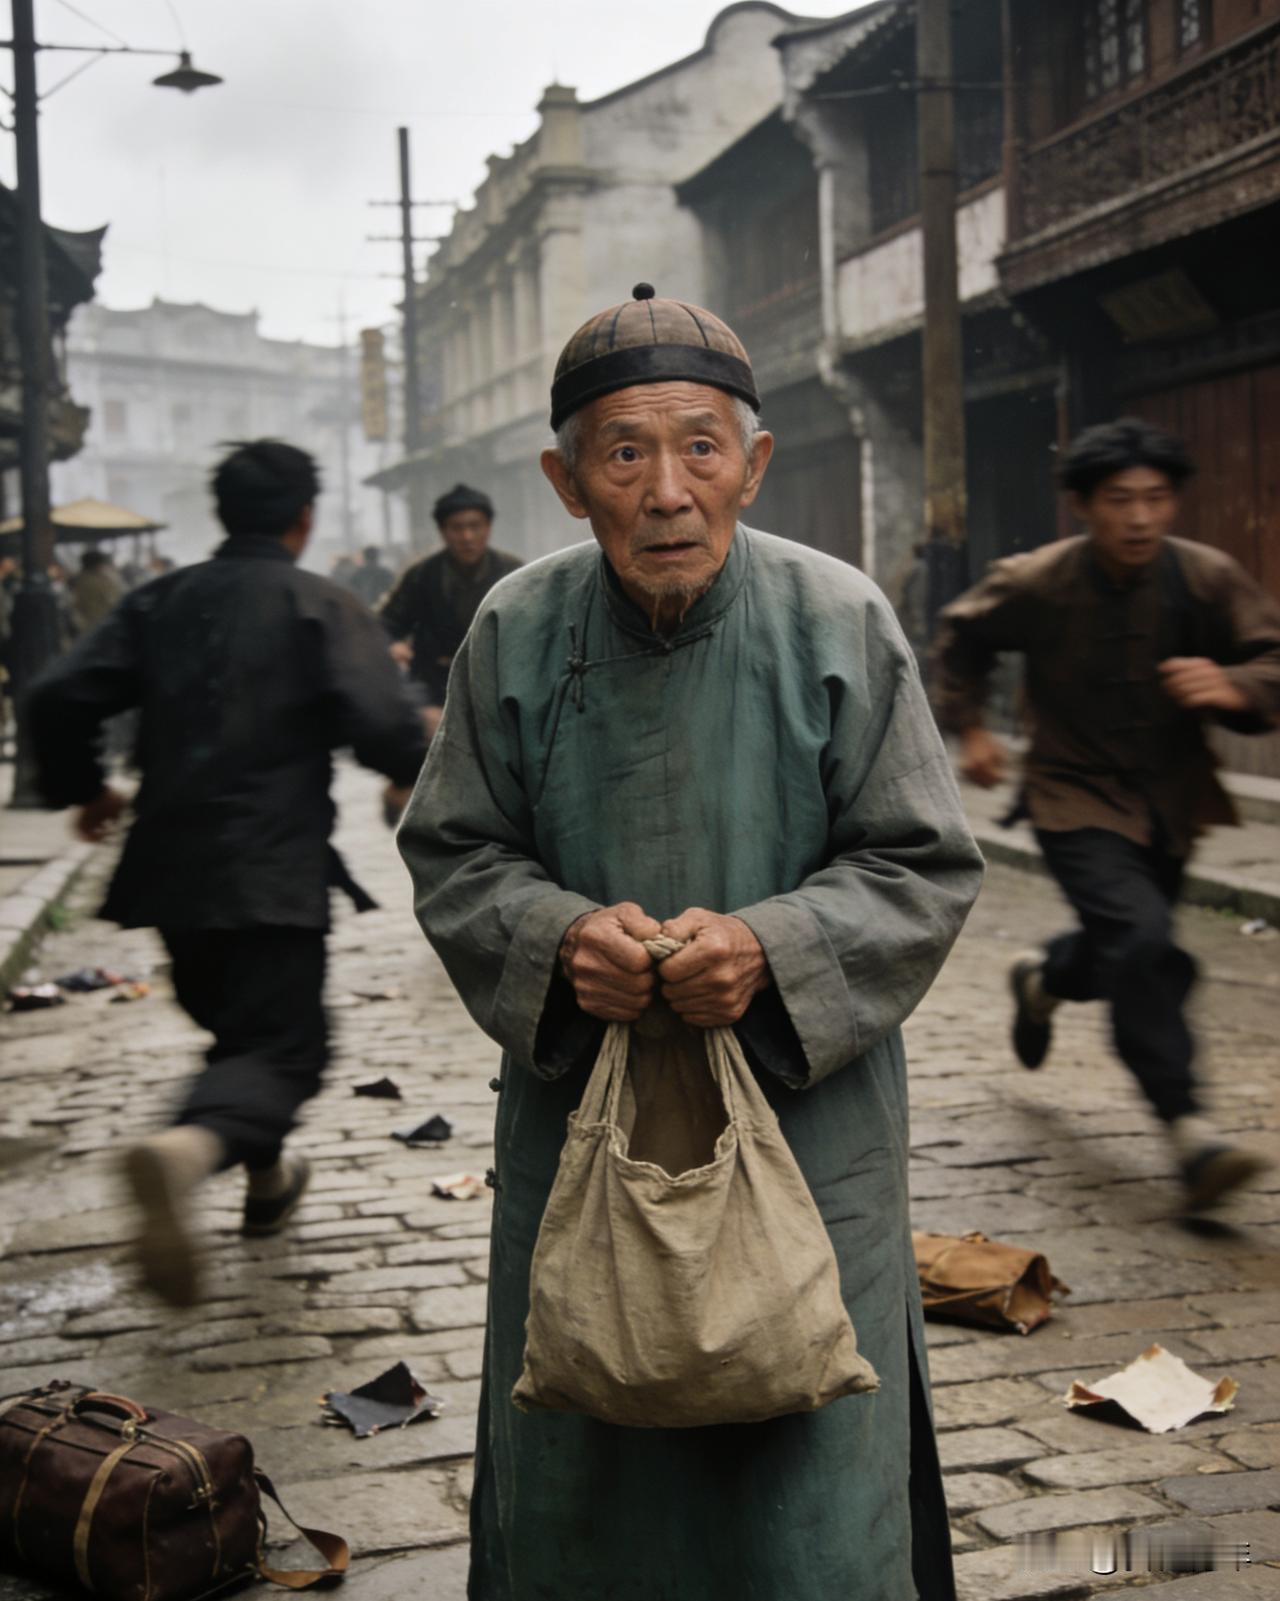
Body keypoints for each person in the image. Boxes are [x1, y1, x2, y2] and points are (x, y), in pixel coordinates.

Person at [397, 283, 983, 1601]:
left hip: (803, 1121)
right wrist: (554, 940)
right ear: (565, 479)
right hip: (580, 1127)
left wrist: (773, 947)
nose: (666, 491)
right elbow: (454, 847)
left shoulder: (837, 622)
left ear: (753, 465)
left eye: (700, 448)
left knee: (810, 1490)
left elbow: (924, 858)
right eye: (624, 453)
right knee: (587, 1464)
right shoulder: (516, 634)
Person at [29, 440, 429, 1307]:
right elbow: (382, 724)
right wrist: (410, 762)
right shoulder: (317, 603)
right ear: (303, 518)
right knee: (286, 1050)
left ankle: (266, 1179)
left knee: (240, 1037)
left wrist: (84, 787)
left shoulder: (159, 601)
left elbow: (57, 696)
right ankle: (190, 1148)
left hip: (173, 874)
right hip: (272, 872)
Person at [933, 417, 1280, 1209]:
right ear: (1085, 505)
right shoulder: (1038, 579)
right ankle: (1188, 1128)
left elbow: (1271, 658)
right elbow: (961, 635)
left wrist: (1235, 686)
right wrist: (975, 726)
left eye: (1156, 499)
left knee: (1127, 942)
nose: (1139, 518)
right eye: (1119, 500)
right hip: (1071, 794)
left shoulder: (1206, 577)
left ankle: (1044, 979)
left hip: (1171, 801)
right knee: (1147, 940)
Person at [379, 483, 520, 735]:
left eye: (475, 526)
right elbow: (387, 623)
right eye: (457, 528)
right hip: (434, 692)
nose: (467, 537)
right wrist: (394, 644)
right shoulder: (422, 575)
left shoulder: (513, 572)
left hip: (499, 688)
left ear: (488, 528)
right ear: (443, 531)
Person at [69, 548, 125, 635]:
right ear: (97, 564)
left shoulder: (80, 580)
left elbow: (77, 605)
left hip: (91, 626)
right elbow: (113, 600)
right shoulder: (100, 580)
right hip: (103, 624)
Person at [347, 544, 395, 609]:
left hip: (364, 608)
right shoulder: (386, 573)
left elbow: (352, 591)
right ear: (377, 556)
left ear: (364, 557)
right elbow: (392, 589)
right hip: (382, 607)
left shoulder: (357, 574)